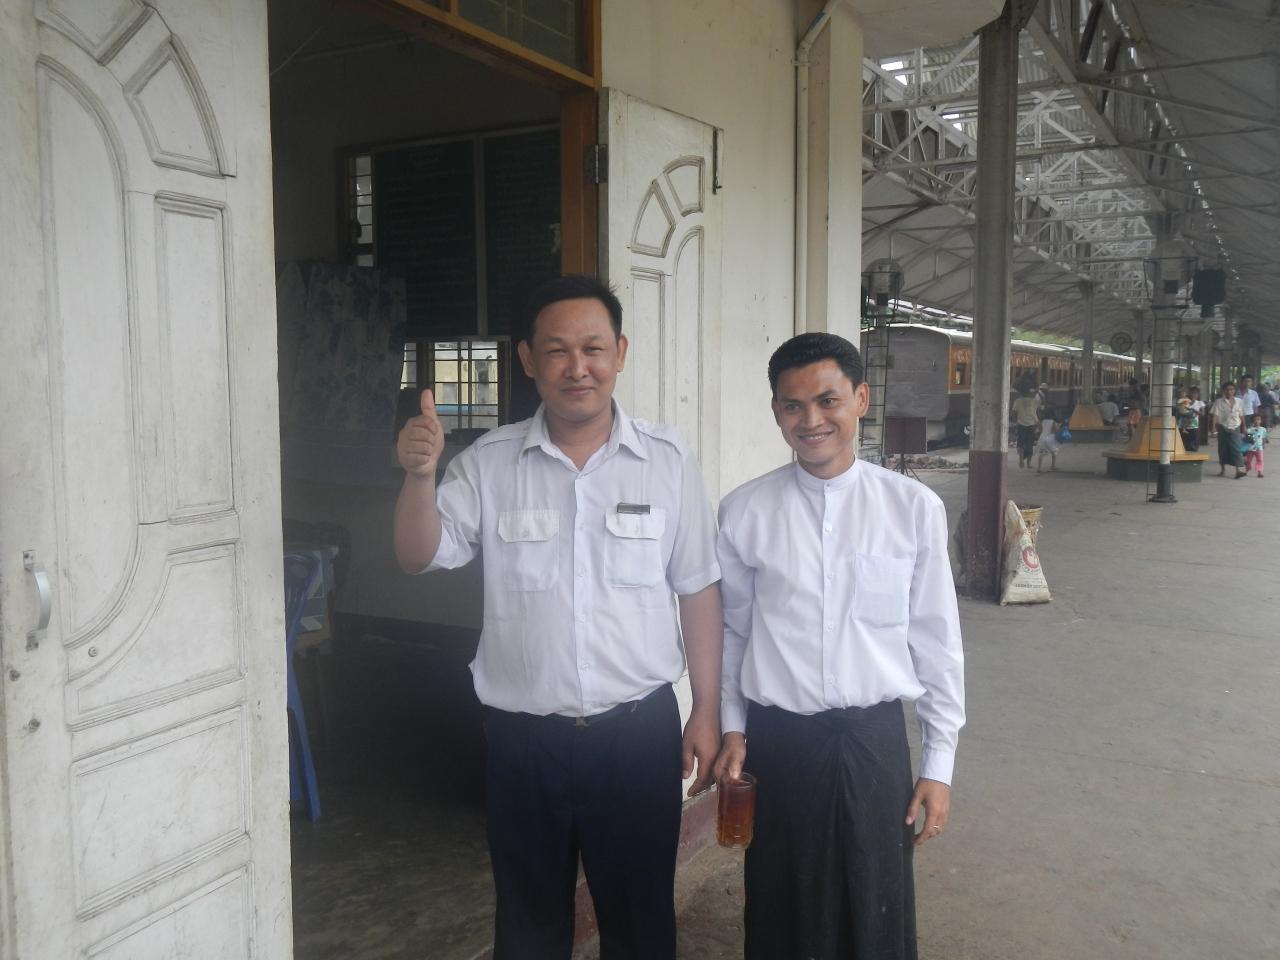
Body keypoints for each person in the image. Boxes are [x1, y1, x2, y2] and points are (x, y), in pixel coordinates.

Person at [394, 275, 723, 960]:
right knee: (528, 924)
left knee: (640, 925)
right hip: (524, 744)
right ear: (527, 359)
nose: (578, 368)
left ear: (620, 353)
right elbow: (418, 554)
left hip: (636, 736)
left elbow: (697, 588)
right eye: (557, 351)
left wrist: (706, 709)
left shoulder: (666, 461)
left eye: (593, 349)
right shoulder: (489, 463)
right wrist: (420, 476)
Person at [713, 332, 964, 960]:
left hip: (874, 741)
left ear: (861, 399)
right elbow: (735, 633)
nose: (811, 420)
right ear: (776, 411)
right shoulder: (744, 512)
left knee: (875, 899)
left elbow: (936, 641)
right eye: (792, 405)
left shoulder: (912, 508)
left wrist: (938, 765)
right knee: (784, 902)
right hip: (781, 742)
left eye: (828, 401)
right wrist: (734, 727)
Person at [1208, 381, 1246, 479]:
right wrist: (1213, 427)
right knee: (1223, 449)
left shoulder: (1239, 401)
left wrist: (1244, 426)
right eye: (1227, 390)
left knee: (1236, 449)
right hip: (1223, 427)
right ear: (1223, 391)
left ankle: (1238, 470)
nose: (1229, 391)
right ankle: (1222, 470)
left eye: (1231, 389)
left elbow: (1241, 415)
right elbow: (1215, 415)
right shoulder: (1219, 402)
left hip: (1235, 427)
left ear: (1234, 391)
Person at [1011, 385, 1040, 469]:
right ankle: (1029, 464)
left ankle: (1021, 459)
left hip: (1021, 424)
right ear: (1029, 393)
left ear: (1021, 392)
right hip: (1032, 424)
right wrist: (1038, 391)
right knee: (1030, 444)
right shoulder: (1034, 401)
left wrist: (1016, 420)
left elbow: (1013, 413)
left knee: (1020, 443)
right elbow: (1041, 407)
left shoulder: (1017, 401)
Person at [1036, 406, 1062, 472]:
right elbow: (1054, 431)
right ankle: (1053, 466)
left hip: (1042, 438)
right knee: (1054, 453)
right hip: (1050, 439)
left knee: (1041, 454)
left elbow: (1040, 431)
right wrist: (1058, 428)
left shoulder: (1042, 421)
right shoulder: (1053, 421)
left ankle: (1039, 468)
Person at [1242, 413, 1267, 478]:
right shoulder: (1250, 429)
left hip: (1259, 448)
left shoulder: (1263, 429)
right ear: (1252, 421)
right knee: (1248, 460)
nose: (1257, 421)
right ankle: (1247, 470)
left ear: (1261, 421)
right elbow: (1246, 435)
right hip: (1250, 448)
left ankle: (1259, 472)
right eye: (1255, 420)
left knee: (1260, 460)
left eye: (1258, 419)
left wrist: (1263, 444)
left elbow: (1263, 438)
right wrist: (1245, 428)